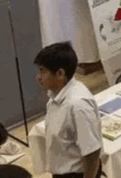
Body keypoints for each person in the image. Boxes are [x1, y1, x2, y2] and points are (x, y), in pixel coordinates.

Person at [34, 42, 102, 178]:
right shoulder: (55, 95)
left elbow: (92, 153)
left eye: (42, 71)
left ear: (60, 73)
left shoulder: (78, 106)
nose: (38, 77)